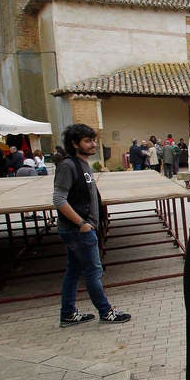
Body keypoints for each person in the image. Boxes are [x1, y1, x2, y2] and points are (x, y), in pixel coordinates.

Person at [53, 124, 131, 326]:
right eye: (87, 141)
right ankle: (106, 311)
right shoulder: (68, 165)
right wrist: (82, 224)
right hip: (78, 230)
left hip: (81, 228)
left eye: (93, 140)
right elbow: (59, 199)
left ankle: (68, 313)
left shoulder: (82, 164)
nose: (93, 144)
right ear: (74, 143)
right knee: (93, 272)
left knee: (73, 271)